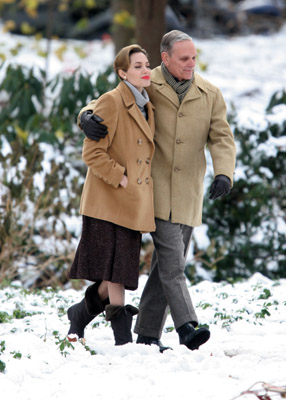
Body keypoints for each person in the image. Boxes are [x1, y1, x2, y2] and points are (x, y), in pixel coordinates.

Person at [78, 30, 236, 352]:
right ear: (165, 58)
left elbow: (221, 137)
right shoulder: (149, 81)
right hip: (153, 191)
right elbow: (109, 98)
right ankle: (187, 327)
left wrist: (224, 173)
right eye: (184, 59)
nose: (191, 64)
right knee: (173, 264)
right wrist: (85, 116)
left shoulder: (211, 94)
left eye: (194, 58)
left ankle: (144, 334)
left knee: (166, 267)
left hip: (188, 194)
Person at [66, 44, 156, 346]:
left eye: (147, 64)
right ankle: (122, 338)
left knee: (118, 271)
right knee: (117, 272)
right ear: (122, 72)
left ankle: (81, 313)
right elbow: (92, 153)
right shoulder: (113, 100)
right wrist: (122, 179)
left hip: (133, 203)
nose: (145, 70)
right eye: (137, 66)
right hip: (108, 200)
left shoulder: (148, 100)